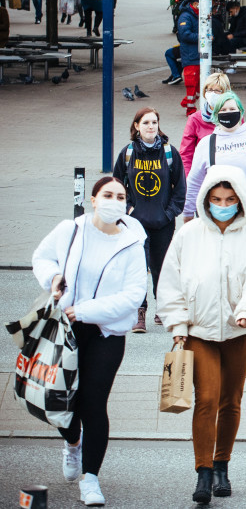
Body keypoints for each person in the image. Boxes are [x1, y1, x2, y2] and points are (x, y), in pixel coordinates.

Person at [157, 166, 246, 504]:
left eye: (230, 199)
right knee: (206, 399)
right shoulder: (189, 234)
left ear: (240, 200)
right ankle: (203, 471)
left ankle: (222, 464)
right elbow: (171, 282)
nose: (223, 204)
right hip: (198, 332)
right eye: (216, 199)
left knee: (231, 401)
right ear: (206, 200)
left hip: (239, 333)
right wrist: (178, 327)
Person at [32, 176, 147, 507]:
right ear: (94, 199)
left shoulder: (132, 243)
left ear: (127, 205)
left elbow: (133, 296)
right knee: (62, 401)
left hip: (105, 333)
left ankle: (90, 479)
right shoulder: (71, 230)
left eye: (120, 196)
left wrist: (83, 311)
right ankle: (72, 444)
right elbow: (42, 257)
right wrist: (53, 278)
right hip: (64, 330)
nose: (113, 200)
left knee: (93, 403)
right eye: (107, 194)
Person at [111, 107, 186, 333]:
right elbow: (116, 186)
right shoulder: (127, 153)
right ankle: (139, 311)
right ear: (137, 126)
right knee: (137, 268)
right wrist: (127, 210)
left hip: (163, 223)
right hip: (136, 223)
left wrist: (169, 212)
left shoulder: (170, 153)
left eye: (154, 122)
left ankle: (162, 308)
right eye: (145, 123)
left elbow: (180, 188)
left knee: (161, 267)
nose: (150, 126)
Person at [183, 92, 246, 241]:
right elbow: (194, 181)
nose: (228, 113)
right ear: (216, 115)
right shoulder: (207, 143)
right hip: (218, 214)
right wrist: (188, 212)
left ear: (241, 111)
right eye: (223, 110)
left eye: (232, 109)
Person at [181, 72, 232, 176]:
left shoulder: (235, 116)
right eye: (209, 90)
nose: (213, 93)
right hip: (204, 173)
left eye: (218, 91)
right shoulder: (195, 119)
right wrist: (187, 179)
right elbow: (186, 154)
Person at [177, 0, 201, 116]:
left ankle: (187, 102)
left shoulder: (196, 15)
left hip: (196, 55)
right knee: (192, 84)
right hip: (190, 56)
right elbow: (184, 35)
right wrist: (202, 38)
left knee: (198, 85)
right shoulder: (186, 16)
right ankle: (190, 109)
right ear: (196, 4)